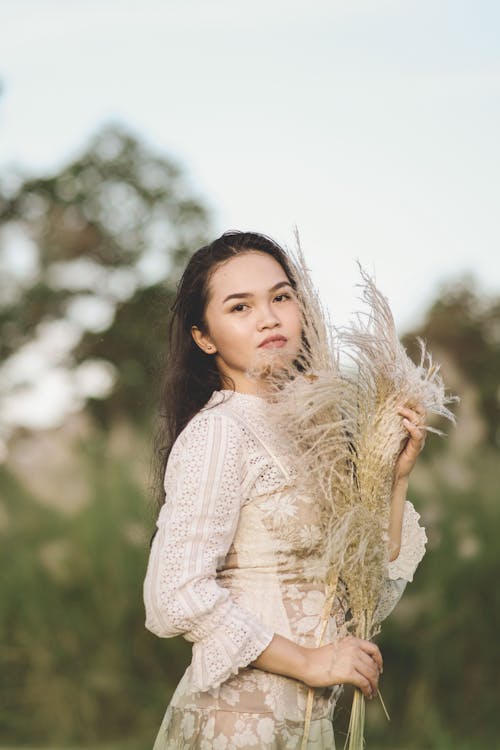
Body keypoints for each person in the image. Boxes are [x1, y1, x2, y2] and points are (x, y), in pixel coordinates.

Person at [143, 230, 428, 749]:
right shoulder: (220, 431)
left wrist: (395, 477)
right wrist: (310, 661)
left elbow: (364, 596)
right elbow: (174, 595)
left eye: (281, 297)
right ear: (204, 338)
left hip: (309, 731)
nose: (269, 317)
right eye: (239, 307)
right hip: (237, 725)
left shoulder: (312, 431)